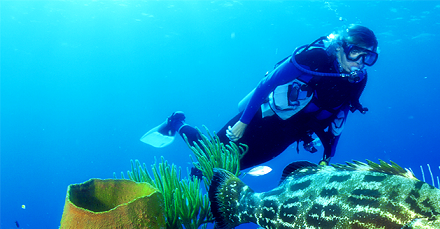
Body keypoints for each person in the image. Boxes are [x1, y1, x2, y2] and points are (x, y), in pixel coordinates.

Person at [144, 25, 378, 170]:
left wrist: (327, 158)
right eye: (355, 52)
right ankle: (177, 123)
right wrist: (243, 122)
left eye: (367, 57)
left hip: (286, 136)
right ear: (340, 47)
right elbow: (267, 84)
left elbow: (339, 120)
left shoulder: (357, 80)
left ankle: (199, 171)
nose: (359, 62)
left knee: (230, 169)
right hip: (260, 118)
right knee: (209, 152)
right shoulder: (313, 59)